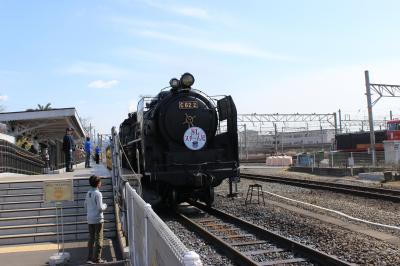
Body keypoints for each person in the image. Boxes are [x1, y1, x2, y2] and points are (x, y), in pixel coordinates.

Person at [84, 175, 107, 264]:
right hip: (98, 219)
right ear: (98, 183)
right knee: (99, 239)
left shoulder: (88, 192)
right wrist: (105, 206)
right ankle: (97, 258)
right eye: (100, 181)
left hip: (90, 218)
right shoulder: (98, 193)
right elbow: (100, 208)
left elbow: (85, 205)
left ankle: (89, 258)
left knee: (91, 238)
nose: (101, 183)